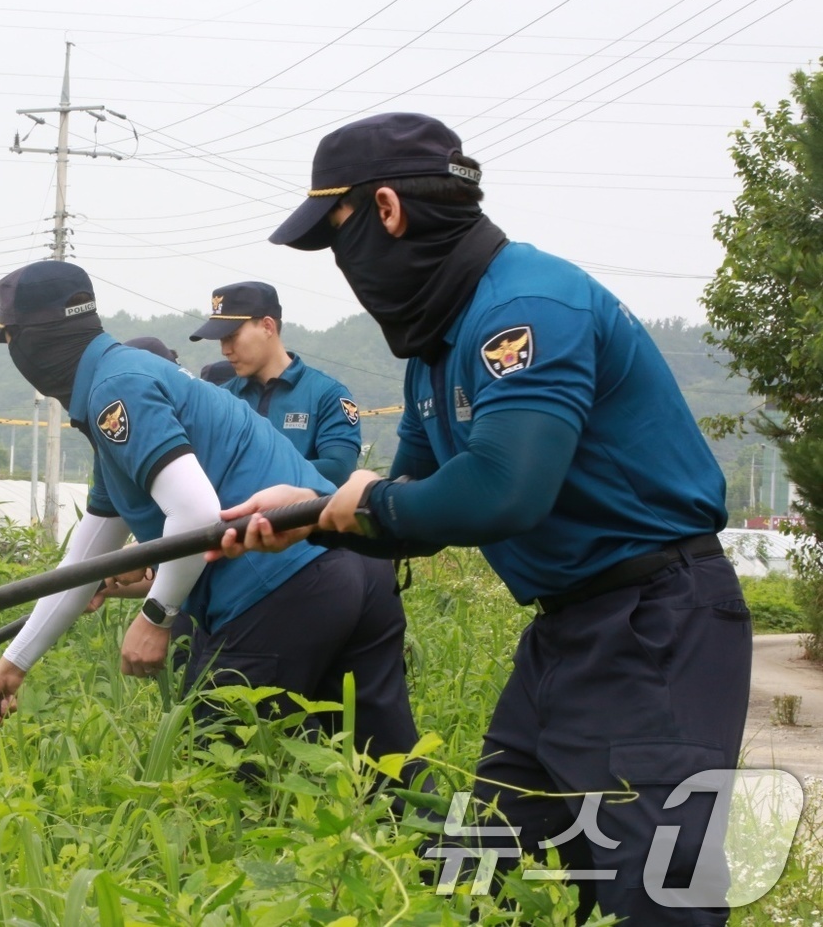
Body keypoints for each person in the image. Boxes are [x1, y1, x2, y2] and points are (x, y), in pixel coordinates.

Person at [215, 112, 750, 925]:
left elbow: (503, 491)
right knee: (475, 873)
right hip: (565, 636)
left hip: (658, 623)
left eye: (337, 239)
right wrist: (313, 515)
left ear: (386, 210)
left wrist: (365, 505)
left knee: (656, 897)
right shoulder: (440, 344)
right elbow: (417, 503)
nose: (345, 268)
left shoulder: (525, 309)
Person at [0, 259, 420, 767]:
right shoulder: (128, 381)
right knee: (390, 767)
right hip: (354, 565)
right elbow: (83, 566)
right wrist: (15, 665)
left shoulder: (114, 389)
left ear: (37, 339)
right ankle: (470, 847)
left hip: (282, 582)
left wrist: (156, 616)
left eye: (12, 342)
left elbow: (195, 513)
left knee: (219, 781)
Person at [190, 280, 363, 485]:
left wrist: (255, 471)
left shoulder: (326, 394)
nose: (225, 349)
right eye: (221, 340)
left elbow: (339, 470)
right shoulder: (222, 399)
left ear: (267, 326)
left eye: (231, 337)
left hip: (301, 516)